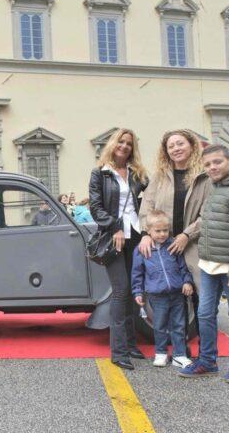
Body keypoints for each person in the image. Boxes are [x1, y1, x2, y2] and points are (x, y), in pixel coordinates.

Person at [180, 144, 229, 384]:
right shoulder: (215, 187)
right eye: (208, 164)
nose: (212, 167)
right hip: (209, 265)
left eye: (217, 162)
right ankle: (207, 361)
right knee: (205, 314)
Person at [137, 129, 212, 354]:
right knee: (173, 299)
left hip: (193, 244)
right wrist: (145, 233)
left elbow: (208, 212)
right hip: (164, 244)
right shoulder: (161, 176)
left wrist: (187, 235)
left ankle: (205, 353)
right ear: (166, 151)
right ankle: (179, 349)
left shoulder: (204, 176)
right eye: (171, 146)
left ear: (191, 146)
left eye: (180, 144)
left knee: (201, 300)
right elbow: (146, 206)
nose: (176, 149)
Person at [89, 128, 148, 371]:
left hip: (136, 234)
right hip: (115, 236)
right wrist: (114, 227)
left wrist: (147, 232)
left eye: (129, 144)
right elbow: (96, 207)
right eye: (121, 142)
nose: (124, 146)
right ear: (113, 144)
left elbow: (147, 202)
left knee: (135, 290)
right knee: (121, 290)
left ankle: (132, 344)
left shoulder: (138, 174)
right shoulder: (100, 173)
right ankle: (119, 350)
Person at [131, 210, 194, 369]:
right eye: (157, 231)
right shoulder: (142, 249)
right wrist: (137, 292)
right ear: (149, 230)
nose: (162, 234)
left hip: (177, 293)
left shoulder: (173, 245)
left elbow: (183, 266)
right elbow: (137, 273)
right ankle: (161, 353)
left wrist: (187, 282)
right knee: (159, 325)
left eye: (165, 230)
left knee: (178, 325)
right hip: (156, 295)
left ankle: (179, 355)